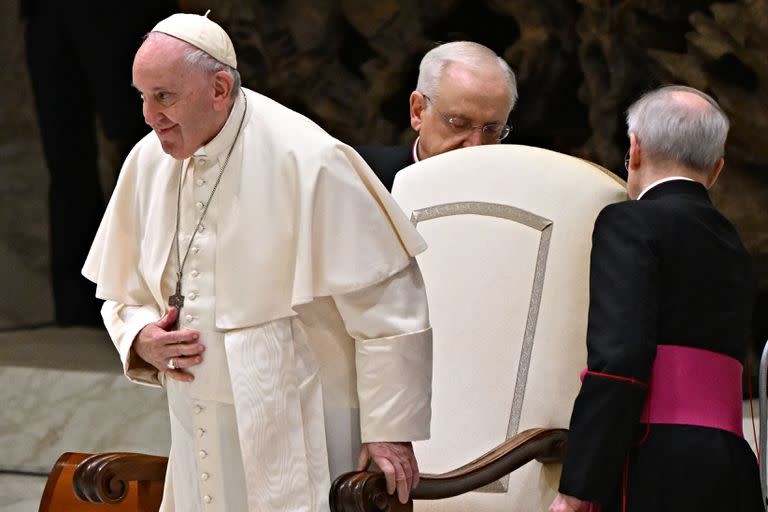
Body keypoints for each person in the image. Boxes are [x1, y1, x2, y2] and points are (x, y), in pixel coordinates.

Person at [82, 12, 433, 512]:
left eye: (164, 96)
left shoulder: (308, 158)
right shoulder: (147, 161)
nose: (148, 114)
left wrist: (391, 429)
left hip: (301, 413)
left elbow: (388, 303)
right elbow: (121, 291)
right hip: (196, 415)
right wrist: (140, 336)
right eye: (142, 96)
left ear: (220, 87)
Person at [549, 85, 763, 512]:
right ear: (717, 169)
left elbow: (620, 362)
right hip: (731, 465)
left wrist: (577, 488)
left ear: (634, 149)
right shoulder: (734, 243)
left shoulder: (630, 223)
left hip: (654, 465)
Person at [22, 0, 176, 326]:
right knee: (65, 161)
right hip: (48, 13)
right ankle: (77, 310)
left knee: (146, 149)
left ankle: (152, 303)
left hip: (122, 14)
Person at [356, 41, 517, 191]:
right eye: (458, 123)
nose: (475, 146)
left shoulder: (517, 191)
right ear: (418, 111)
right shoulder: (359, 174)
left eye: (492, 129)